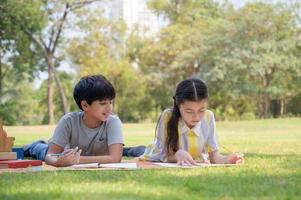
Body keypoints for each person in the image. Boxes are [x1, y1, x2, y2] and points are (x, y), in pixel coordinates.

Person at [24, 74, 145, 167]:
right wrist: (59, 162)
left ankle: (130, 150)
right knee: (42, 151)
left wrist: (78, 160)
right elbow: (51, 155)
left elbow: (115, 158)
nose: (109, 108)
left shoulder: (113, 121)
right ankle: (34, 146)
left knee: (118, 150)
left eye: (111, 102)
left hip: (86, 154)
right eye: (103, 103)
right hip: (63, 153)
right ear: (85, 105)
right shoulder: (68, 121)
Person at [140, 78, 244, 165]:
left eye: (201, 110)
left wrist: (228, 159)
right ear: (178, 105)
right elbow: (161, 154)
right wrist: (176, 155)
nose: (196, 117)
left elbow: (214, 157)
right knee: (140, 150)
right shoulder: (168, 116)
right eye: (189, 111)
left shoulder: (208, 117)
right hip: (153, 150)